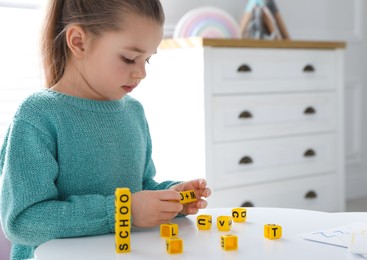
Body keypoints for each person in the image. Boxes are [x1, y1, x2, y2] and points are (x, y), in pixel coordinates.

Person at [0, 1, 211, 259]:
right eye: (130, 58)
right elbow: (23, 221)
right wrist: (124, 211)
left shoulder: (133, 112)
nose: (142, 72)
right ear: (78, 42)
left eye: (148, 60)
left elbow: (140, 186)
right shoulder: (38, 116)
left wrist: (169, 198)